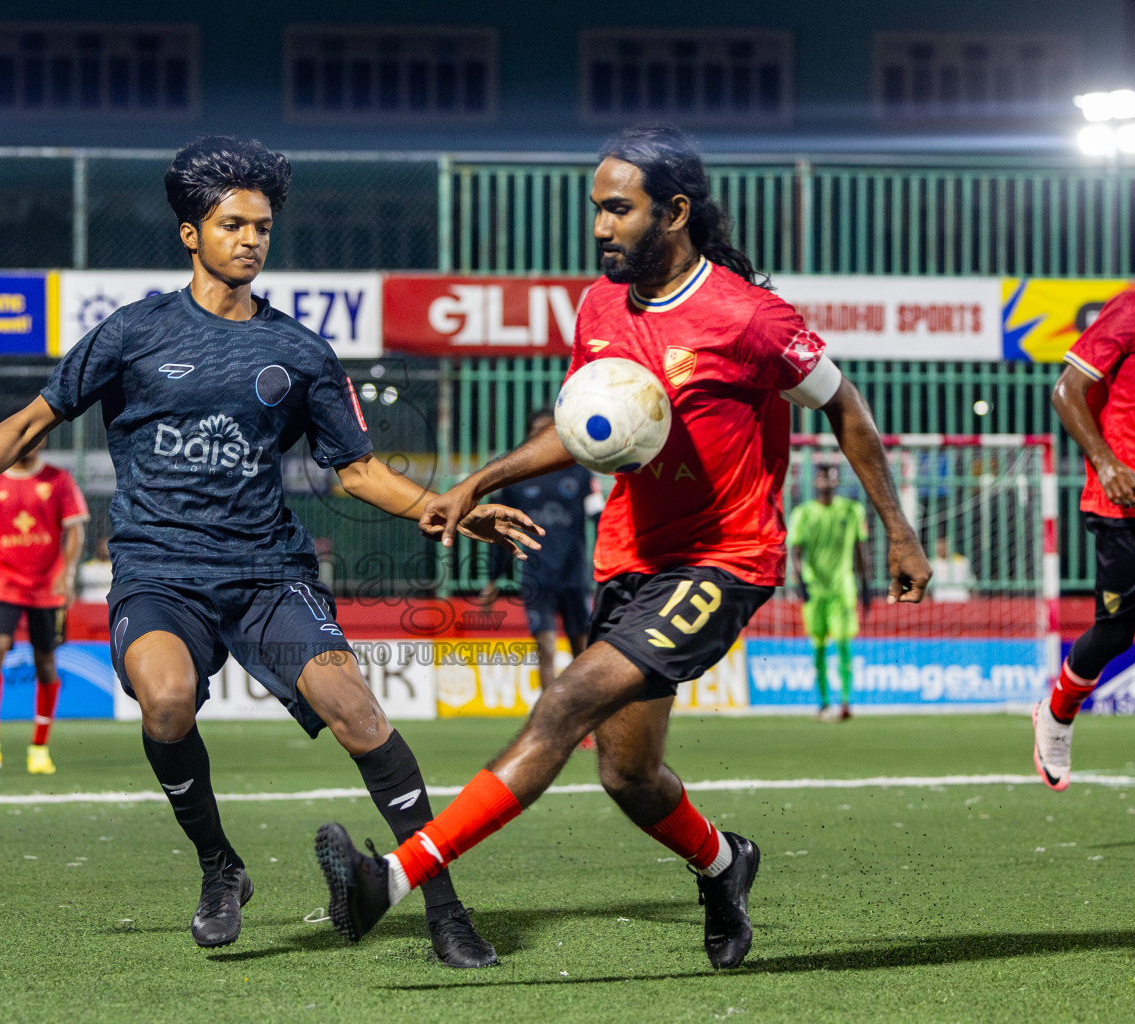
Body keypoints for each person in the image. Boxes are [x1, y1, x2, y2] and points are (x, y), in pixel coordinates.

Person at [0, 137, 539, 965]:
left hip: (267, 574)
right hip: (158, 572)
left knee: (359, 713)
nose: (251, 239)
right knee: (166, 701)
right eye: (232, 225)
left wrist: (446, 508)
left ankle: (445, 910)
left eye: (262, 227)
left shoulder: (300, 352)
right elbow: (28, 423)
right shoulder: (133, 332)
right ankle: (221, 866)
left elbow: (359, 471)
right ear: (191, 234)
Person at [313, 124, 930, 971]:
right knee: (628, 776)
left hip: (724, 560)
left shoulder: (751, 318)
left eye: (618, 209)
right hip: (629, 561)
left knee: (564, 703)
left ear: (674, 212)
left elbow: (846, 409)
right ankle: (724, 862)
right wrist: (482, 480)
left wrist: (899, 529)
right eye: (596, 208)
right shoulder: (599, 307)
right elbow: (584, 430)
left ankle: (389, 877)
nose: (600, 226)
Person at [1033, 285, 1135, 790]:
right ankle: (1056, 716)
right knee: (1114, 635)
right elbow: (1066, 392)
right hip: (1128, 507)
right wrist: (1105, 463)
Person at [0, 448, 87, 775]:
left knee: (45, 664)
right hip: (4, 583)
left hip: (47, 586)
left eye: (36, 436)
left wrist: (68, 574)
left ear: (42, 440)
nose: (29, 442)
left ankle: (39, 748)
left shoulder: (58, 480)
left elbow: (76, 531)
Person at [479, 408, 600, 695]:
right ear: (529, 437)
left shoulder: (580, 472)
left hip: (574, 575)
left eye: (549, 431)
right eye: (537, 432)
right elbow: (502, 530)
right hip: (537, 577)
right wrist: (492, 578)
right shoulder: (515, 479)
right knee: (545, 648)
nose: (543, 437)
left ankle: (584, 713)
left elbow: (601, 520)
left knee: (581, 649)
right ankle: (551, 715)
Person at [787, 463, 870, 721]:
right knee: (819, 648)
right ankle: (823, 703)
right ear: (815, 482)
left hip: (843, 589)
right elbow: (796, 552)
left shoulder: (852, 510)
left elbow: (860, 550)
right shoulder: (803, 514)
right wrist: (800, 583)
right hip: (815, 590)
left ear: (837, 482)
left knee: (844, 644)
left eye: (830, 478)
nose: (826, 482)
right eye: (821, 477)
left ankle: (845, 702)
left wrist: (866, 585)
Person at [927, 535, 974, 604]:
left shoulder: (962, 561)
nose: (942, 548)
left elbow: (971, 582)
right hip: (940, 600)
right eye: (939, 545)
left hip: (961, 599)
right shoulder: (932, 563)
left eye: (944, 545)